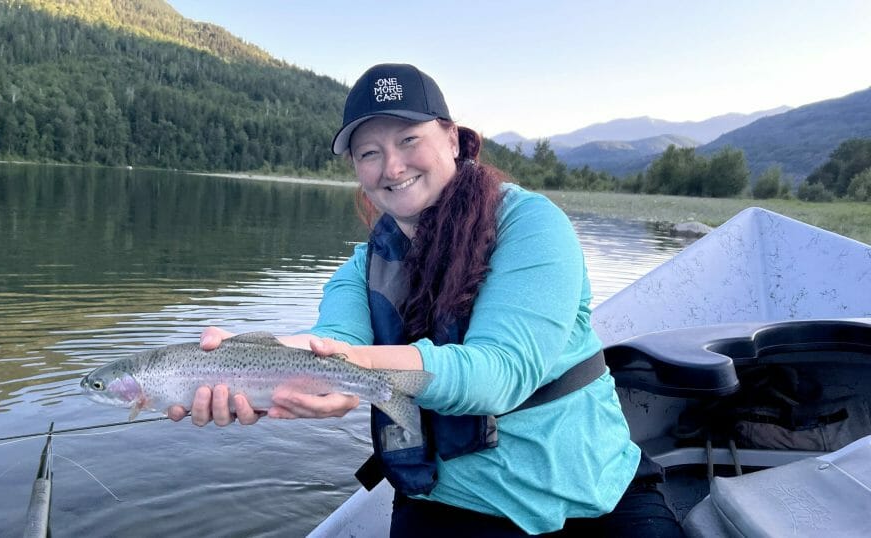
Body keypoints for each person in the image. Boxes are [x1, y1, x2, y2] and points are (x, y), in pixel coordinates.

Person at [169, 63, 683, 537]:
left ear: (454, 141)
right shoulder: (359, 268)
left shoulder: (531, 225)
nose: (391, 167)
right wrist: (269, 374)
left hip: (594, 496)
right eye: (369, 153)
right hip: (451, 502)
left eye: (408, 139)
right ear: (356, 170)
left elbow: (498, 373)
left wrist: (355, 368)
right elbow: (333, 344)